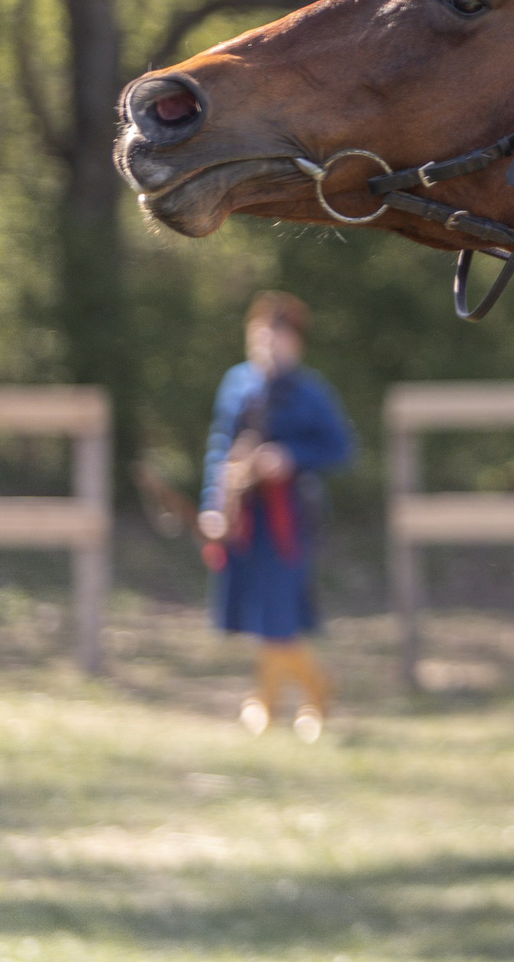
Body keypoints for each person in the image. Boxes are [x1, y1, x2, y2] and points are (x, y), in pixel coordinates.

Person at [198, 291, 354, 740]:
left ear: (296, 343)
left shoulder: (311, 392)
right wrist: (215, 503)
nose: (268, 342)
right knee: (258, 610)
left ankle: (309, 691)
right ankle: (273, 699)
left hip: (292, 516)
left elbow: (340, 448)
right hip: (246, 515)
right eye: (262, 332)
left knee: (280, 610)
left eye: (278, 334)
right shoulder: (237, 385)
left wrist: (289, 457)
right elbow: (220, 449)